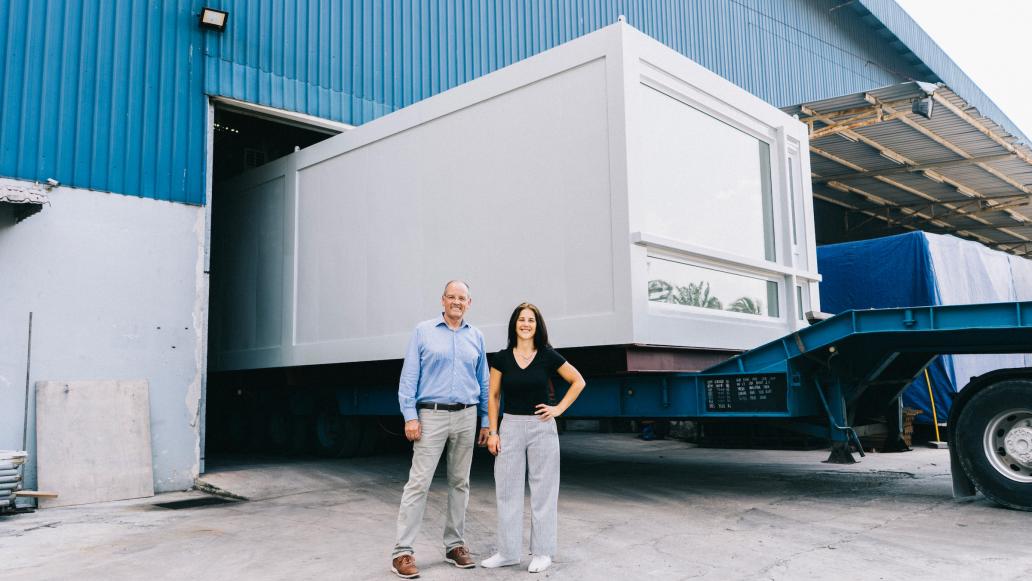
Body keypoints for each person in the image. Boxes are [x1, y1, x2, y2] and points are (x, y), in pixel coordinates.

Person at [390, 280, 491, 579]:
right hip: (431, 415)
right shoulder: (423, 331)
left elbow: (483, 381)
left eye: (462, 298)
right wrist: (410, 415)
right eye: (451, 297)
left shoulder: (477, 336)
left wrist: (485, 420)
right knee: (418, 483)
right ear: (442, 300)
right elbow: (409, 377)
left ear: (469, 303)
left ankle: (454, 545)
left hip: (466, 415)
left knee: (460, 483)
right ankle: (402, 552)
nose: (456, 302)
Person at [481, 302, 586, 573]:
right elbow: (493, 396)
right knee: (507, 490)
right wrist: (493, 432)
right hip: (511, 426)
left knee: (544, 491)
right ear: (514, 325)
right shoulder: (502, 358)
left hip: (542, 427)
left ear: (537, 326)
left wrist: (558, 409)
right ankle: (507, 552)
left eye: (531, 320)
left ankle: (542, 552)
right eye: (521, 320)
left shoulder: (548, 356)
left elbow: (578, 381)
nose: (526, 324)